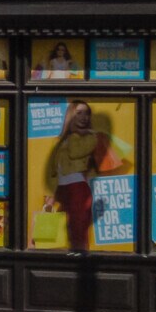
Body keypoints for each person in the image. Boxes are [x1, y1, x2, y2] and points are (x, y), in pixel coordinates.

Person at [43, 100, 114, 251]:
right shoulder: (66, 139)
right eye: (79, 112)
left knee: (78, 229)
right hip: (63, 188)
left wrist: (92, 137)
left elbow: (75, 153)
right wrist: (53, 195)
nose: (84, 117)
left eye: (87, 113)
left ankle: (80, 260)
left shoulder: (88, 137)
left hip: (77, 187)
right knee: (66, 228)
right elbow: (56, 169)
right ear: (71, 115)